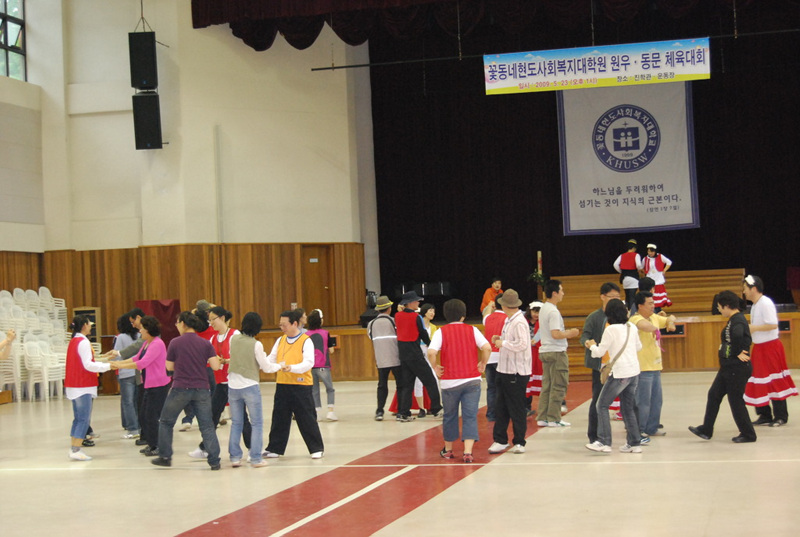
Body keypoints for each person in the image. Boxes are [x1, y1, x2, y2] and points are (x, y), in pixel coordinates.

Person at [150, 311, 222, 470]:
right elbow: (216, 366)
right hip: (202, 388)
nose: (176, 326)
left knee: (166, 422)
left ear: (183, 323)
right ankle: (214, 461)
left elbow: (169, 367)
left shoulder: (175, 343)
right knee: (207, 426)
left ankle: (165, 456)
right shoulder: (205, 343)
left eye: (177, 323)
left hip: (181, 388)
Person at [689, 291, 757, 443]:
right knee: (714, 395)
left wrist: (736, 351)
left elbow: (738, 335)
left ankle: (748, 434)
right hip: (728, 368)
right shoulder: (734, 319)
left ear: (727, 306)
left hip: (736, 369)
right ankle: (706, 429)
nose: (719, 309)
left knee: (735, 400)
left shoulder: (737, 320)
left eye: (719, 307)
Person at [429, 299, 491, 463]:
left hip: (450, 382)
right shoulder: (473, 330)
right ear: (463, 316)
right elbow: (487, 347)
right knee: (470, 416)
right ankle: (468, 452)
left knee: (450, 415)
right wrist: (483, 363)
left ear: (446, 315)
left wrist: (435, 367)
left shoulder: (441, 332)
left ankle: (448, 450)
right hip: (472, 380)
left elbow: (431, 352)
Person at [263, 310, 325, 459]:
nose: (282, 328)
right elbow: (271, 359)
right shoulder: (280, 340)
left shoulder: (306, 340)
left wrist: (291, 368)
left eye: (284, 325)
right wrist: (262, 363)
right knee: (279, 417)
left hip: (301, 386)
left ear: (295, 324)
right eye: (280, 325)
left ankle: (316, 448)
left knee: (306, 418)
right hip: (283, 384)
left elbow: (308, 363)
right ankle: (275, 448)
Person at [584, 298, 643, 453]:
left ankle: (604, 441)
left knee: (601, 405)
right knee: (628, 408)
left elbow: (599, 352)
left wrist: (591, 345)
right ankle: (634, 443)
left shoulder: (610, 330)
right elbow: (639, 347)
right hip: (634, 371)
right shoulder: (632, 327)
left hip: (619, 373)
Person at [743, 275, 798, 426]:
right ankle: (764, 414)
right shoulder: (755, 305)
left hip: (770, 347)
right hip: (759, 347)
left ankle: (781, 416)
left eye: (745, 288)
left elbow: (773, 324)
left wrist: (754, 328)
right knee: (758, 380)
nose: (744, 292)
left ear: (753, 289)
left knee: (774, 380)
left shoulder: (766, 303)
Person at [114, 316, 171, 457]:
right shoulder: (147, 343)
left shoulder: (157, 344)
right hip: (148, 384)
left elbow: (142, 363)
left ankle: (158, 446)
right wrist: (118, 364)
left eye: (143, 328)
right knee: (144, 415)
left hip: (158, 385)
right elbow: (136, 358)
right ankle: (151, 444)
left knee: (152, 416)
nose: (140, 331)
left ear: (149, 330)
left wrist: (118, 365)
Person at [65, 315, 116, 461]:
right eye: (89, 324)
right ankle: (76, 449)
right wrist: (108, 366)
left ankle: (74, 447)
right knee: (83, 419)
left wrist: (104, 360)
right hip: (82, 385)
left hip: (74, 385)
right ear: (84, 326)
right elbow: (88, 364)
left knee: (78, 418)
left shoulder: (74, 341)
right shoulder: (83, 342)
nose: (90, 326)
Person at [487, 289, 532, 454]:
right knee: (501, 407)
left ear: (505, 305)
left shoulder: (519, 322)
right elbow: (515, 342)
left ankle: (519, 441)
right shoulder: (509, 320)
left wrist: (503, 343)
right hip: (504, 369)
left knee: (516, 408)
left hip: (515, 372)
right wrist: (500, 339)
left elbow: (522, 344)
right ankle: (500, 440)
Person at [227, 312, 274, 468]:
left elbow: (234, 357)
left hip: (233, 385)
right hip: (250, 386)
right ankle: (255, 458)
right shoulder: (256, 344)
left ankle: (234, 457)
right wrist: (280, 365)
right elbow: (266, 367)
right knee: (257, 423)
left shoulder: (233, 339)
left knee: (236, 423)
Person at [629, 291, 677, 442]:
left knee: (656, 400)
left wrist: (669, 322)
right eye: (649, 303)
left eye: (653, 303)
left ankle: (652, 427)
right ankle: (640, 430)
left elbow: (671, 318)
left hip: (655, 366)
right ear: (640, 306)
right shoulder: (635, 319)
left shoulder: (654, 317)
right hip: (643, 368)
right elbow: (645, 326)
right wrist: (658, 326)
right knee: (643, 402)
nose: (653, 306)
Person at [580, 282, 622, 444]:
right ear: (602, 297)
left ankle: (634, 435)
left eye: (618, 297)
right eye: (612, 297)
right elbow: (585, 336)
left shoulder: (621, 316)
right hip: (601, 367)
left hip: (619, 366)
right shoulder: (594, 317)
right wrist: (589, 343)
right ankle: (594, 435)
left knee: (628, 401)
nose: (615, 300)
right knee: (597, 400)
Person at [536, 280, 579, 427]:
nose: (563, 293)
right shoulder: (553, 311)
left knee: (547, 385)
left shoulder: (544, 308)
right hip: (556, 351)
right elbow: (555, 334)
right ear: (554, 293)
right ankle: (554, 418)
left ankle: (543, 416)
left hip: (546, 350)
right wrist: (571, 333)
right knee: (559, 384)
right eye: (561, 290)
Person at [395, 291, 442, 421]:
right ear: (410, 303)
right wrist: (432, 346)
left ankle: (403, 413)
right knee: (430, 381)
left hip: (403, 355)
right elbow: (423, 334)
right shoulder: (416, 317)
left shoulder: (397, 316)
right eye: (416, 301)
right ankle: (436, 409)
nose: (418, 303)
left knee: (407, 385)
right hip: (415, 354)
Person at [367, 296, 405, 421]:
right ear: (389, 309)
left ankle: (379, 411)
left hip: (381, 359)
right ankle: (400, 411)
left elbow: (370, 337)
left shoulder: (371, 324)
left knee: (382, 385)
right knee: (400, 385)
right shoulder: (394, 321)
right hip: (396, 358)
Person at [111, 314, 141, 440]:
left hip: (125, 372)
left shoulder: (121, 337)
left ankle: (133, 429)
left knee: (127, 402)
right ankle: (139, 426)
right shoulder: (140, 336)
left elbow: (117, 355)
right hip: (138, 372)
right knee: (137, 401)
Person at [305, 309, 338, 421]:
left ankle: (317, 413)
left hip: (310, 366)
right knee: (330, 388)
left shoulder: (305, 335)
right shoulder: (325, 333)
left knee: (314, 390)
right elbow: (331, 350)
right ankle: (330, 412)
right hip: (323, 365)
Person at [482, 294, 506, 422]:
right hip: (501, 356)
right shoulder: (507, 318)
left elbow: (485, 314)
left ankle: (491, 414)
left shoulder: (488, 318)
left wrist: (490, 306)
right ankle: (502, 413)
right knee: (503, 387)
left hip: (489, 357)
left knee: (491, 387)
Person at [523, 302, 543, 417]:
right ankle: (525, 407)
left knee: (540, 380)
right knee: (527, 381)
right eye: (534, 311)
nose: (536, 314)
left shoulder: (543, 323)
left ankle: (545, 408)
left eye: (539, 312)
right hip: (526, 355)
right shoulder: (523, 321)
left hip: (538, 354)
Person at [613, 239, 642, 310]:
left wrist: (622, 271)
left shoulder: (622, 255)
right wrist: (639, 270)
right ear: (634, 248)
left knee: (627, 297)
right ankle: (632, 312)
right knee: (632, 297)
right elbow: (638, 265)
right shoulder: (636, 255)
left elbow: (615, 264)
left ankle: (627, 311)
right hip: (633, 278)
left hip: (625, 279)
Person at [641, 243, 672, 309]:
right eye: (648, 251)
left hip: (658, 280)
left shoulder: (660, 256)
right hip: (650, 280)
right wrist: (645, 274)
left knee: (659, 299)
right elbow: (641, 267)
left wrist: (664, 270)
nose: (650, 253)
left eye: (651, 251)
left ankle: (658, 310)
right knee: (651, 297)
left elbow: (669, 262)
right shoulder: (645, 259)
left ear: (655, 251)